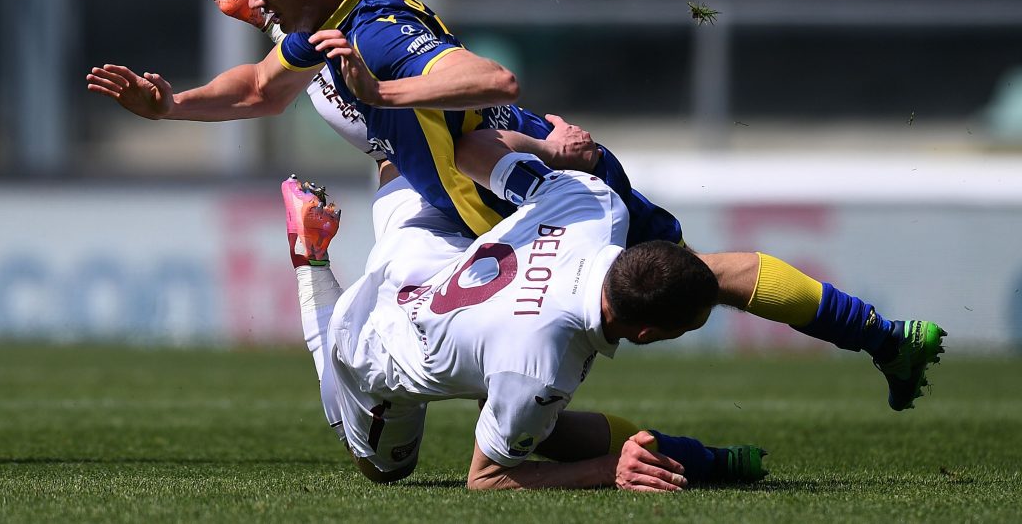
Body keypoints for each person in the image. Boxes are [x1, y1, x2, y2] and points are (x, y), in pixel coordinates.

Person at [86, 0, 945, 412]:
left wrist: (386, 101)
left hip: (528, 193)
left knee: (645, 304)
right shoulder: (326, 19)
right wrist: (168, 106)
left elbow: (492, 75)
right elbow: (259, 88)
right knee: (690, 276)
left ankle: (622, 457)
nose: (260, 1)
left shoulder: (377, 36)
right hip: (512, 184)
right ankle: (886, 340)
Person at [285, 130, 767, 489]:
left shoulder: (597, 206)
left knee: (397, 146)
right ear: (645, 334)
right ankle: (311, 257)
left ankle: (302, 28)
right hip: (377, 339)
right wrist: (607, 470)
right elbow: (486, 479)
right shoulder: (539, 370)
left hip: (434, 258)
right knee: (385, 469)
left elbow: (474, 149)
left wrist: (550, 145)